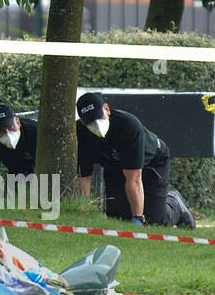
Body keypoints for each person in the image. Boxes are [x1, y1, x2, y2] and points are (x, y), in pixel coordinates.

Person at [75, 92, 194, 227]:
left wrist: (138, 218)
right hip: (115, 165)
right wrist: (83, 213)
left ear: (107, 109)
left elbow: (134, 178)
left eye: (98, 118)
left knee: (154, 221)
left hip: (152, 162)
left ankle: (175, 202)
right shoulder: (81, 133)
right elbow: (84, 178)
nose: (96, 125)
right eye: (90, 122)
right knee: (118, 218)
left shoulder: (128, 125)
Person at [0, 103, 38, 203]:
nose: (8, 134)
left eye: (10, 127)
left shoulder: (35, 131)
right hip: (15, 173)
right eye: (1, 131)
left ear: (17, 122)